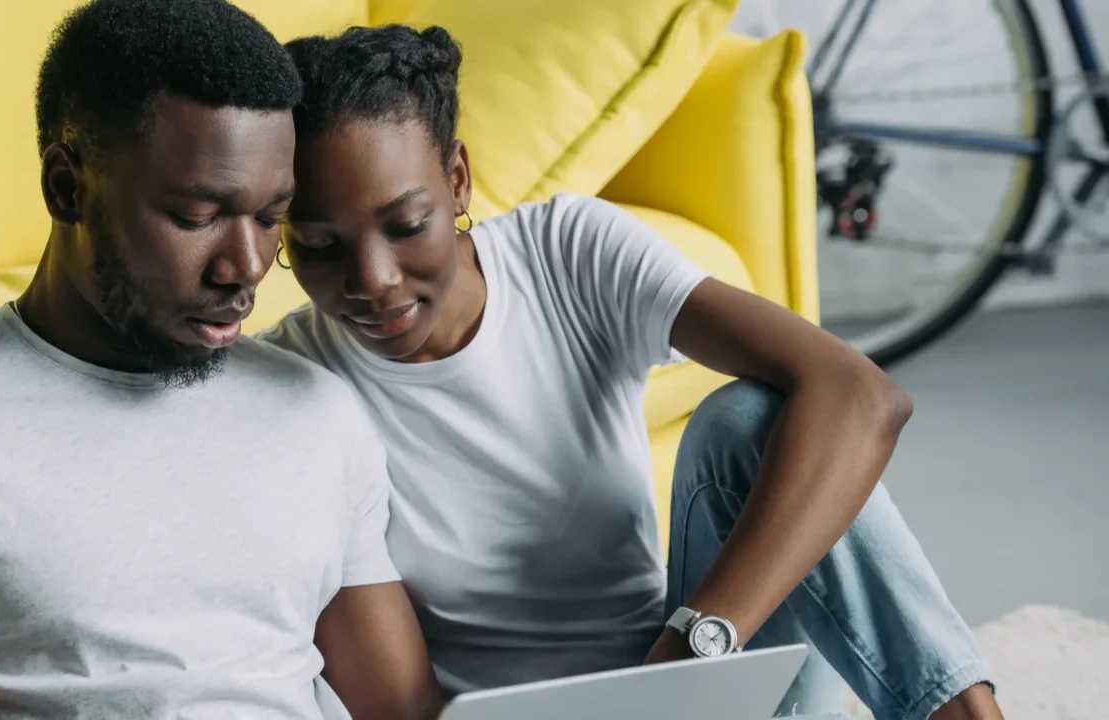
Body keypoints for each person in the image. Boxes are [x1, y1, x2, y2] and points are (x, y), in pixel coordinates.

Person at [263, 24, 1003, 720]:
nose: (373, 280)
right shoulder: (293, 386)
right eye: (321, 246)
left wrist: (690, 652)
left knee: (750, 421)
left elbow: (861, 395)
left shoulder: (565, 253)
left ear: (457, 180)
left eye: (405, 226)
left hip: (691, 682)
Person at [0, 2, 441, 717]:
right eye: (197, 217)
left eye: (270, 218)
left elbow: (403, 713)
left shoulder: (318, 414)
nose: (246, 267)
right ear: (67, 189)